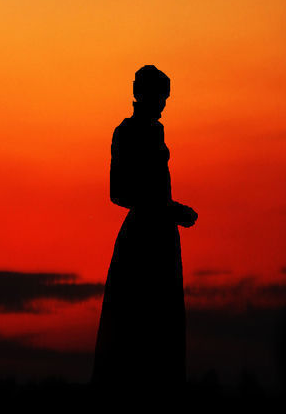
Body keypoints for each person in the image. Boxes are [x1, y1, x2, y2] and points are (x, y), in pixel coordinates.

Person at [92, 64, 197, 396]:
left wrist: (170, 212)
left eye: (166, 98)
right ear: (141, 94)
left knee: (162, 331)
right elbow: (118, 192)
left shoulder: (156, 131)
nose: (163, 105)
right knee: (134, 326)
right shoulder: (126, 133)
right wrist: (169, 210)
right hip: (142, 241)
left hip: (162, 239)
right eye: (160, 97)